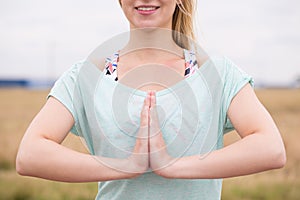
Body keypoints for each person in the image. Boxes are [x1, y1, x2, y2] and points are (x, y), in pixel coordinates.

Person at [16, 0, 286, 199]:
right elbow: (30, 155)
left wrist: (171, 166)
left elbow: (271, 148)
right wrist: (126, 166)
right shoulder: (85, 77)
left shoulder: (217, 73)